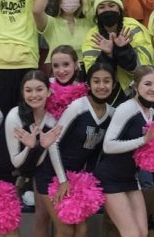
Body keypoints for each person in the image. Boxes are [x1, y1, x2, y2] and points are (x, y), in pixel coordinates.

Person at [0, 71, 61, 237]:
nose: (34, 95)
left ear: (48, 91)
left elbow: (37, 162)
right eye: (28, 90)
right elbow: (17, 161)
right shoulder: (14, 116)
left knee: (12, 230)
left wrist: (39, 147)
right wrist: (32, 147)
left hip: (9, 177)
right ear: (22, 93)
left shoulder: (51, 121)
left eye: (39, 89)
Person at [95, 65, 154, 237]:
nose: (153, 88)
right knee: (131, 233)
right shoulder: (127, 108)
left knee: (142, 232)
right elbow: (108, 146)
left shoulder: (153, 114)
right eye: (148, 84)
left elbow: (149, 152)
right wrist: (143, 140)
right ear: (136, 86)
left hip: (131, 179)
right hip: (110, 179)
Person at [38, 62, 116, 237]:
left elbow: (96, 152)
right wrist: (63, 180)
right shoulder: (78, 107)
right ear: (88, 85)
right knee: (65, 229)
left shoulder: (112, 114)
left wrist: (86, 179)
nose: (101, 86)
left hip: (77, 178)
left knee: (82, 229)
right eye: (96, 81)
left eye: (106, 81)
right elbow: (53, 143)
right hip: (51, 174)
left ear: (113, 84)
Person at [81, 0, 154, 103]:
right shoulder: (92, 35)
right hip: (106, 95)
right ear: (96, 13)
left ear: (120, 10)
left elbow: (145, 66)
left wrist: (123, 50)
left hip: (138, 92)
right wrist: (107, 56)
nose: (107, 10)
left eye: (111, 6)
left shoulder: (133, 26)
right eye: (101, 7)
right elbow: (92, 73)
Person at [33, 0, 98, 64]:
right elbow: (36, 11)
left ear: (80, 1)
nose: (70, 0)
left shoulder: (88, 21)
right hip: (58, 72)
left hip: (85, 71)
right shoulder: (51, 23)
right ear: (59, 0)